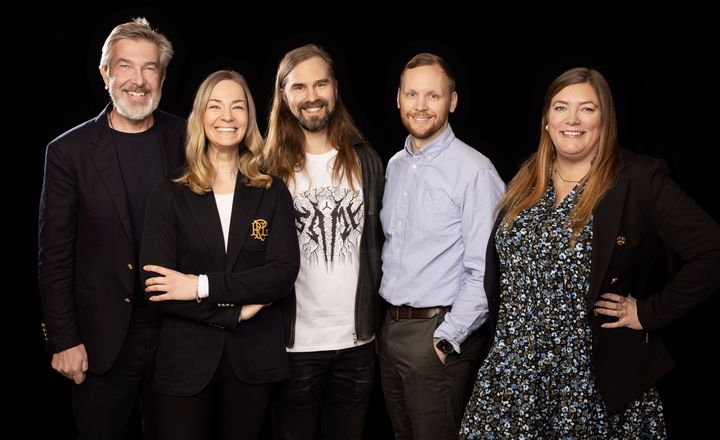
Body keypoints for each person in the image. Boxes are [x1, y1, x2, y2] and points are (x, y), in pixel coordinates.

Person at [459, 67, 720, 439]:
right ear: (547, 120)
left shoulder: (638, 180)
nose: (573, 119)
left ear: (605, 120)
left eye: (587, 109)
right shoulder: (527, 178)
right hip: (511, 373)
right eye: (561, 107)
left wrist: (649, 312)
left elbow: (711, 250)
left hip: (587, 380)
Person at [37, 17, 184, 439]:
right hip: (100, 338)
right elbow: (54, 254)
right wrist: (63, 340)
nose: (138, 80)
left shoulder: (187, 138)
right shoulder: (68, 152)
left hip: (178, 333)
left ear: (162, 77)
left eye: (149, 68)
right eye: (125, 66)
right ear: (105, 74)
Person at [140, 70, 300, 440]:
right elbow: (157, 286)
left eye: (237, 107)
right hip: (185, 361)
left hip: (253, 360)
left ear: (249, 117)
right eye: (215, 106)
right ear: (200, 116)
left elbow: (282, 274)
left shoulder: (272, 191)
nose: (227, 116)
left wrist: (200, 286)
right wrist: (234, 312)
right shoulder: (170, 193)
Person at [379, 52, 505, 440]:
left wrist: (446, 340)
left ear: (452, 101)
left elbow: (486, 269)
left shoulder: (475, 171)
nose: (420, 106)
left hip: (438, 332)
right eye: (412, 94)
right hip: (391, 330)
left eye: (432, 96)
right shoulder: (395, 165)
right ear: (398, 98)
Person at [263, 44, 384, 440]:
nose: (311, 96)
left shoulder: (366, 161)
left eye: (320, 84)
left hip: (358, 342)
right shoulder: (266, 169)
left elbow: (381, 246)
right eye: (298, 87)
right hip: (292, 344)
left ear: (335, 88)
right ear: (283, 95)